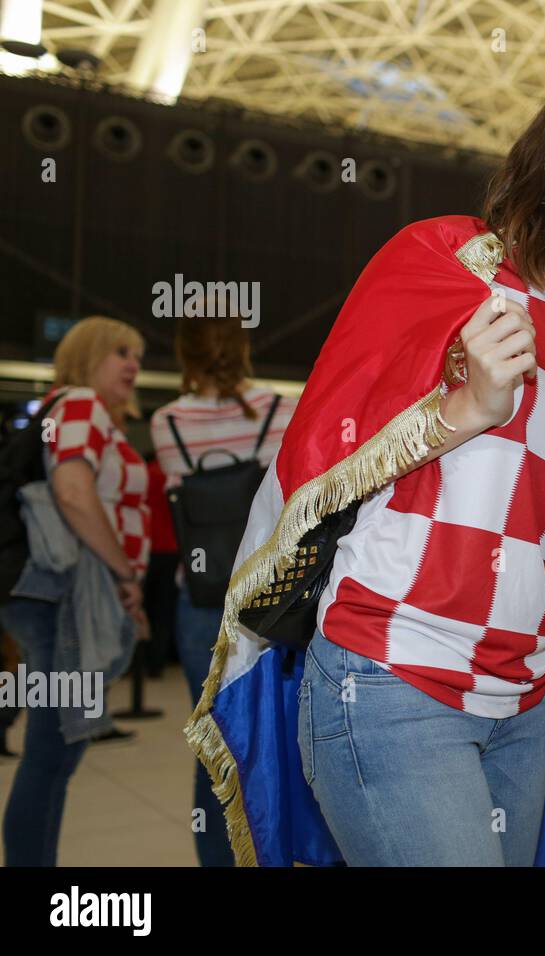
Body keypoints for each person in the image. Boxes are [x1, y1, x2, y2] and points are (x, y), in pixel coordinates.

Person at [185, 52, 545, 866]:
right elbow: (333, 452)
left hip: (519, 715)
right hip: (388, 679)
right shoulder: (447, 261)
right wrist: (470, 409)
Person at [150, 314, 298, 866]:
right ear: (243, 348)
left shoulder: (167, 422)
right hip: (266, 599)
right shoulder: (280, 410)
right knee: (273, 736)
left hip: (200, 600)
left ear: (185, 355)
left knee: (212, 746)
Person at [1, 316, 149, 865]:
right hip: (66, 597)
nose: (134, 364)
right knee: (52, 753)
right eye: (120, 353)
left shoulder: (72, 410)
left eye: (136, 353)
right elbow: (72, 491)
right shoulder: (81, 404)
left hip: (61, 596)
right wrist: (124, 572)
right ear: (88, 356)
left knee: (57, 752)